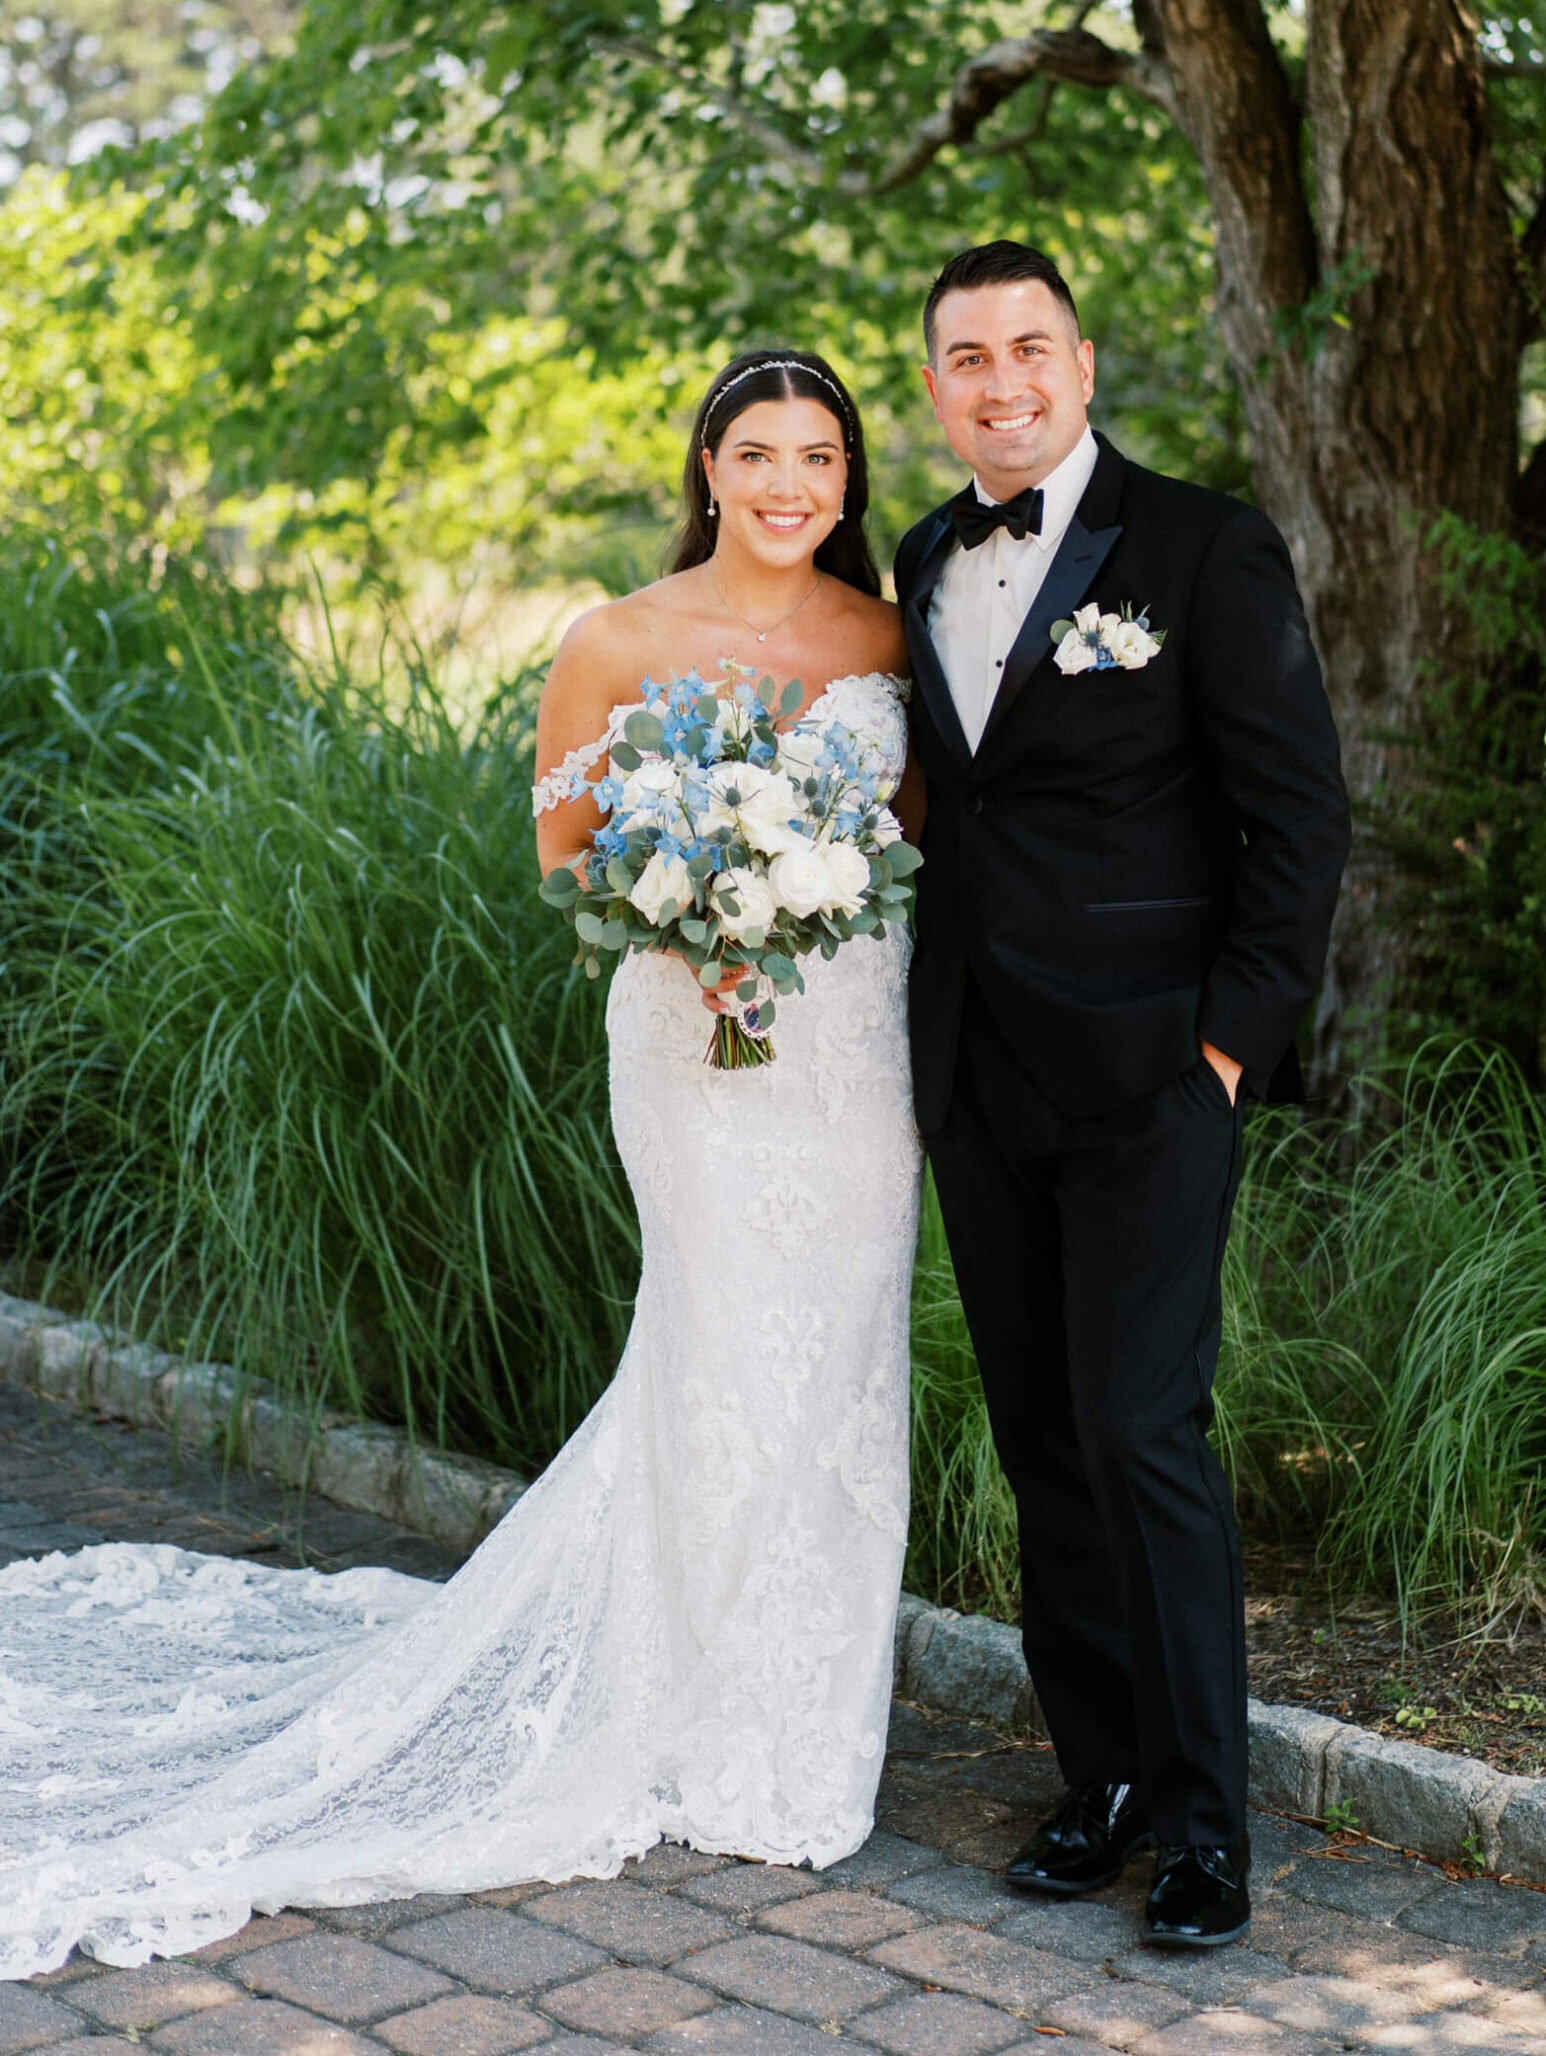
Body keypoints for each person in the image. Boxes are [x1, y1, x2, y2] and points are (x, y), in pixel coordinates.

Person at [0, 350, 921, 1980]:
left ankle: (802, 1724)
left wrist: (808, 900)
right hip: (693, 1058)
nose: (791, 485)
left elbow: (909, 845)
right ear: (708, 468)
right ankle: (686, 1704)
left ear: (849, 479)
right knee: (720, 1353)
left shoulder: (887, 640)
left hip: (856, 1053)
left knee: (843, 1366)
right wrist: (695, 924)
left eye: (821, 458)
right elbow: (566, 863)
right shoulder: (614, 638)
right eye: (759, 454)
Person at [895, 241, 1351, 1950]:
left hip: (1154, 1074)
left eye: (1030, 348)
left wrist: (1228, 1047)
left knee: (1145, 1432)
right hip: (977, 1076)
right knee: (1042, 1439)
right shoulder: (923, 556)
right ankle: (1100, 1780)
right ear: (936, 387)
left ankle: (1208, 1828)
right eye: (967, 357)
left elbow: (1298, 815)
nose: (1001, 382)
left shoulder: (1204, 546)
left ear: (1082, 366)